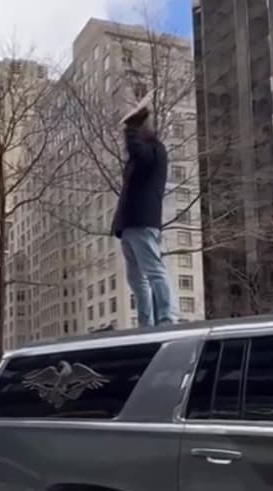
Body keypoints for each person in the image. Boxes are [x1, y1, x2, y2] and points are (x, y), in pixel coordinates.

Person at [111, 92, 174, 328]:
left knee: (153, 271)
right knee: (137, 280)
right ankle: (146, 322)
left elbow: (138, 151)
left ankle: (166, 318)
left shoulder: (154, 150)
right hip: (130, 224)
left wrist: (131, 128)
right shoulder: (144, 154)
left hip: (141, 222)